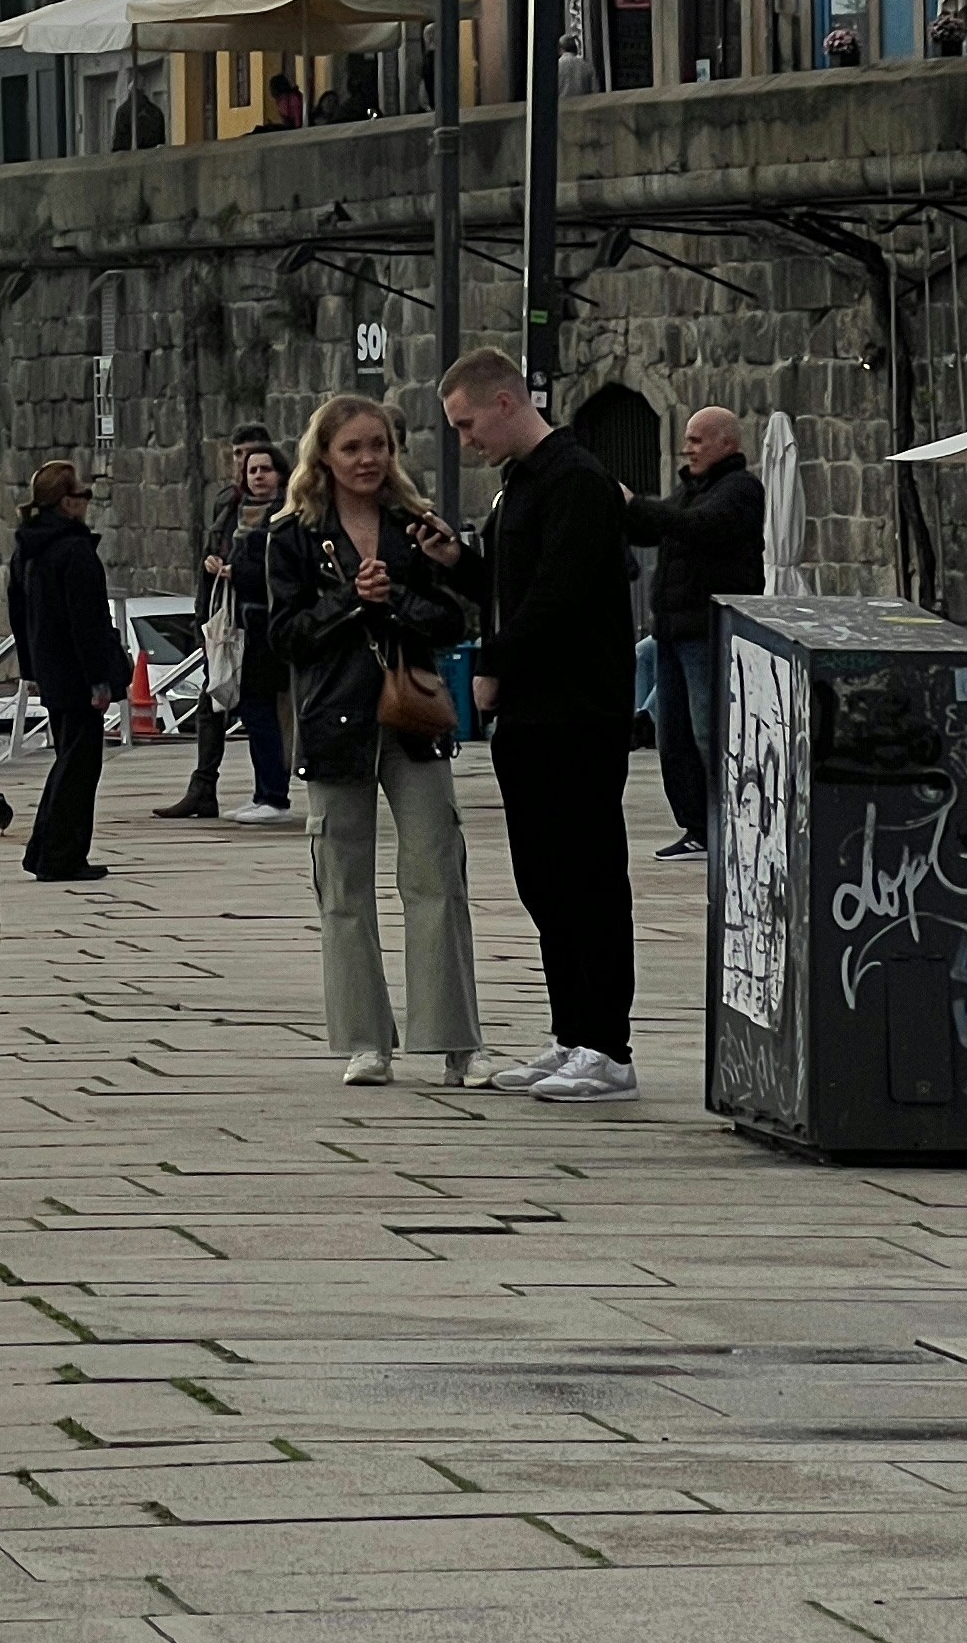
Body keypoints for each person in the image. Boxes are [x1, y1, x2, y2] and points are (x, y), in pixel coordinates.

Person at [419, 347, 641, 1102]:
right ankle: (570, 1032)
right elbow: (514, 590)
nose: (465, 439)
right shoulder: (520, 487)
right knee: (544, 881)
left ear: (507, 402)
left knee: (587, 878)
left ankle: (608, 1047)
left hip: (577, 709)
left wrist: (492, 661)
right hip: (534, 713)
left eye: (467, 422)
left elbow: (561, 596)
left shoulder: (575, 480)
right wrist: (460, 565)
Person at [265, 393, 482, 1088]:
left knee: (436, 876)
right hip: (334, 723)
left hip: (411, 718)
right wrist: (349, 602)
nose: (367, 459)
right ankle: (365, 1041)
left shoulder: (412, 526)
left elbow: (452, 621)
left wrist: (396, 600)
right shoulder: (291, 535)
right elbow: (284, 636)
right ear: (324, 456)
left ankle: (455, 1042)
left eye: (379, 446)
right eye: (353, 447)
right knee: (343, 886)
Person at [626, 407, 765, 859]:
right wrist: (621, 511)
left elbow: (701, 527)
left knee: (712, 734)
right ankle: (698, 828)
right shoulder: (691, 489)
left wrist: (636, 505)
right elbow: (655, 525)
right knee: (675, 737)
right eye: (687, 439)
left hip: (707, 633)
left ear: (727, 443)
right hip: (672, 632)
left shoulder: (740, 490)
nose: (687, 448)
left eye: (697, 440)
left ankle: (734, 823)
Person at [157, 432, 291, 824]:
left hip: (266, 626)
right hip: (230, 623)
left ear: (280, 474)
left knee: (262, 708)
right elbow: (212, 557)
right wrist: (213, 570)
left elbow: (281, 566)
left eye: (265, 469)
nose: (257, 476)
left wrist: (240, 571)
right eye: (251, 470)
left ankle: (272, 794)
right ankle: (245, 791)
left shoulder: (289, 515)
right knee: (234, 705)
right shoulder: (230, 507)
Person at [6, 455, 123, 884]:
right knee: (79, 765)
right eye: (82, 494)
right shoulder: (74, 552)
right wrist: (100, 679)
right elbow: (87, 622)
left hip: (52, 671)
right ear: (65, 503)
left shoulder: (28, 551)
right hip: (76, 676)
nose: (88, 501)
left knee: (67, 760)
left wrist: (30, 668)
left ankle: (45, 851)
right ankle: (61, 855)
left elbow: (19, 617)